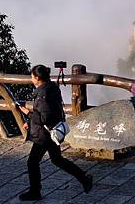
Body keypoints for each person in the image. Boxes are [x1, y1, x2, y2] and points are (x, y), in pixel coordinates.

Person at [17, 65, 93, 201]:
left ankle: (35, 191)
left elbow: (44, 118)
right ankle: (84, 178)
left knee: (32, 162)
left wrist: (28, 113)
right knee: (57, 159)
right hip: (51, 131)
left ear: (37, 78)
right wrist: (30, 121)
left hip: (44, 135)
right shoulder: (52, 88)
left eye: (32, 76)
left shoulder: (43, 95)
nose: (31, 78)